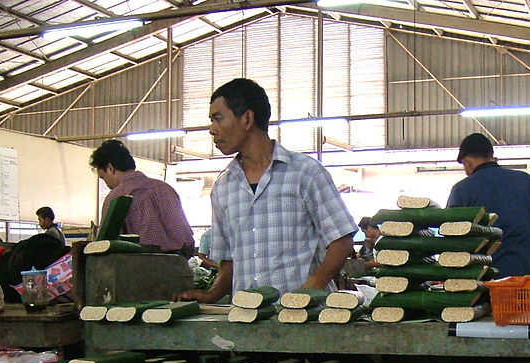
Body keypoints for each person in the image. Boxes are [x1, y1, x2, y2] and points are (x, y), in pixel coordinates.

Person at [176, 78, 356, 302]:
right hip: (248, 319)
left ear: (248, 119)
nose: (212, 130)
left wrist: (313, 287)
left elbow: (342, 238)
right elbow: (229, 260)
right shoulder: (223, 188)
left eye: (218, 119)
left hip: (305, 319)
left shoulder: (305, 173)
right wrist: (212, 293)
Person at [447, 133, 530, 277]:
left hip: (480, 279)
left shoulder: (461, 190)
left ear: (468, 162)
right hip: (522, 276)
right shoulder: (524, 180)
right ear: (490, 155)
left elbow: (450, 235)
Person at [90, 139, 195, 256]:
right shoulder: (165, 189)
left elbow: (105, 245)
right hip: (178, 265)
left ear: (110, 168)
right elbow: (188, 240)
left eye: (103, 178)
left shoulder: (116, 197)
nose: (108, 185)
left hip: (140, 267)